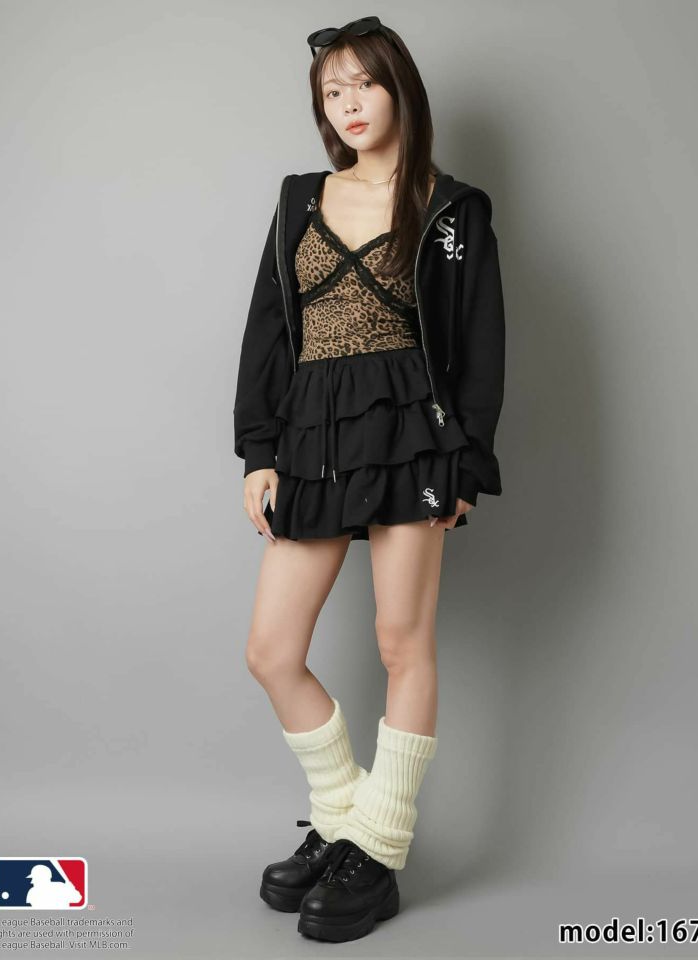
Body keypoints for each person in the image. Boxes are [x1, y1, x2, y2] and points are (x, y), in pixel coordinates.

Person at [233, 15, 505, 943]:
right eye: (332, 91)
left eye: (364, 84)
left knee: (401, 641)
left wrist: (466, 459)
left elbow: (479, 347)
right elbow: (269, 333)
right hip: (311, 432)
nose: (348, 104)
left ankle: (377, 851)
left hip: (412, 434)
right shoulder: (298, 200)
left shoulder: (451, 209)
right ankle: (345, 816)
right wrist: (259, 451)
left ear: (400, 90)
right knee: (271, 650)